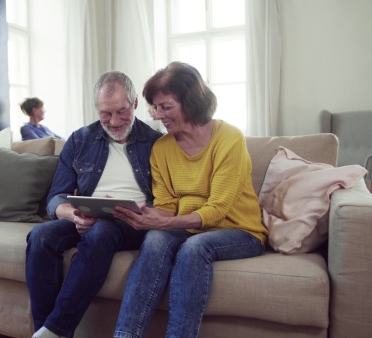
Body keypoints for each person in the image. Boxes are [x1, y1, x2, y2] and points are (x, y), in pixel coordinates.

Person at [112, 62, 268, 338]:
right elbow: (168, 206)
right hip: (190, 227)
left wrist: (166, 222)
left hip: (239, 230)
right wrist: (144, 217)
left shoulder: (228, 138)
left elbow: (217, 210)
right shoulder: (162, 148)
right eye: (155, 108)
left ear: (191, 102)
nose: (159, 115)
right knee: (155, 239)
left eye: (166, 107)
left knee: (194, 248)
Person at [25, 71, 163, 338]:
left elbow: (166, 199)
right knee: (41, 235)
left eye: (121, 112)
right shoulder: (80, 140)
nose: (113, 121)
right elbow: (56, 197)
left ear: (134, 104)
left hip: (132, 223)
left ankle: (56, 330)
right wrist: (73, 214)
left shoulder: (156, 143)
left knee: (101, 232)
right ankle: (42, 330)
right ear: (97, 109)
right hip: (88, 218)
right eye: (105, 114)